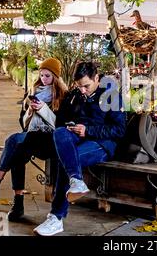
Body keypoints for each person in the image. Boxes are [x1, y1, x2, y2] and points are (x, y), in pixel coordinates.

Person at [33, 62, 126, 236]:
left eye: (86, 86)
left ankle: (56, 217)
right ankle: (76, 181)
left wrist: (88, 130)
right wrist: (69, 125)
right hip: (75, 137)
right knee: (60, 133)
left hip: (101, 144)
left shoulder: (111, 96)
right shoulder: (76, 95)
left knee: (65, 159)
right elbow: (59, 122)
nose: (83, 90)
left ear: (96, 78)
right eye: (79, 86)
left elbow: (119, 130)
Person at [0, 58, 68, 222]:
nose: (43, 79)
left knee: (14, 139)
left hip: (50, 141)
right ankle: (17, 204)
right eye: (42, 75)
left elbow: (59, 126)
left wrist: (43, 109)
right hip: (32, 137)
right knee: (17, 152)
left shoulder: (63, 96)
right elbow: (23, 124)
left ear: (56, 78)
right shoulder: (35, 92)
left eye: (48, 76)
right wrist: (30, 111)